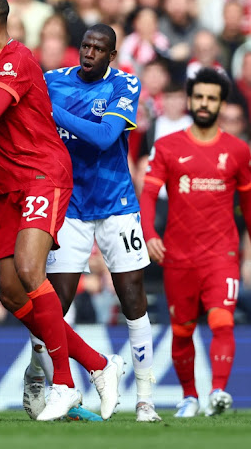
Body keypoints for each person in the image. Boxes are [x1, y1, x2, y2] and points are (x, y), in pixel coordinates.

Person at [0, 0, 122, 421]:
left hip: (41, 176)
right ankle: (98, 362)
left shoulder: (16, 60)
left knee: (31, 273)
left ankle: (64, 383)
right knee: (12, 294)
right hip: (6, 189)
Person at [33, 24, 160, 422]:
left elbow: (106, 137)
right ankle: (50, 385)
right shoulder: (53, 79)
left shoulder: (125, 84)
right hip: (67, 203)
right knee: (55, 302)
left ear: (111, 54)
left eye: (98, 48)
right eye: (85, 45)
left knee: (132, 296)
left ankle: (145, 400)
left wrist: (53, 112)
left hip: (116, 203)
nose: (89, 53)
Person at [142, 68, 251, 418]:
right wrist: (150, 234)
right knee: (182, 330)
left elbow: (248, 207)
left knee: (222, 321)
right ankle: (190, 396)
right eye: (199, 97)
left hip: (222, 254)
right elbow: (147, 195)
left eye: (211, 98)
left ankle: (217, 391)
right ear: (190, 100)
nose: (204, 103)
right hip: (179, 255)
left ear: (221, 103)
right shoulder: (167, 147)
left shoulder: (238, 151)